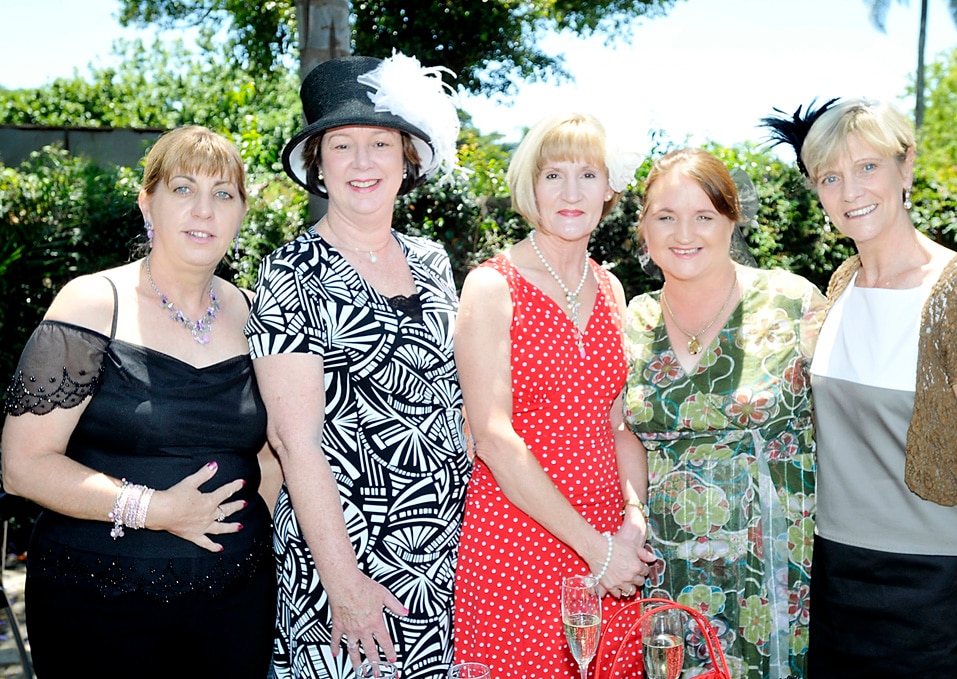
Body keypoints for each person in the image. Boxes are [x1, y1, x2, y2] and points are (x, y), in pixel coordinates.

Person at [0, 125, 278, 677]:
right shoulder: (91, 303)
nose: (204, 209)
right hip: (100, 605)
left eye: (223, 194)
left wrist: (245, 530)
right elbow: (22, 466)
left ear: (241, 212)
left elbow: (275, 450)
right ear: (147, 202)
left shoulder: (260, 313)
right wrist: (157, 511)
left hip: (234, 606)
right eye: (183, 189)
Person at [763, 97, 957, 677]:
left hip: (938, 586)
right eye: (830, 177)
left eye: (868, 167)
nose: (850, 190)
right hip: (835, 576)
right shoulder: (842, 284)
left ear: (905, 168)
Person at [244, 53, 468, 679]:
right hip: (345, 565)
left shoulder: (433, 260)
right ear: (318, 165)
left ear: (407, 160)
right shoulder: (291, 271)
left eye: (380, 143)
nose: (363, 162)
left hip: (445, 564)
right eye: (341, 146)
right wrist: (342, 584)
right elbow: (293, 441)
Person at [452, 112, 652, 678]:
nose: (570, 192)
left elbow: (617, 427)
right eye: (553, 175)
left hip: (609, 542)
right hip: (519, 539)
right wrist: (597, 549)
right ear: (529, 186)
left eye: (588, 175)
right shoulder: (492, 286)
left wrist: (632, 520)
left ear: (609, 188)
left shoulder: (611, 287)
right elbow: (492, 436)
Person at [621, 148, 826, 679]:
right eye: (665, 216)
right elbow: (619, 431)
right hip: (667, 564)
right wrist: (632, 515)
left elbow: (850, 424)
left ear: (731, 221)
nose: (683, 232)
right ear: (644, 227)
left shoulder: (791, 301)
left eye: (704, 216)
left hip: (775, 566)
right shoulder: (633, 317)